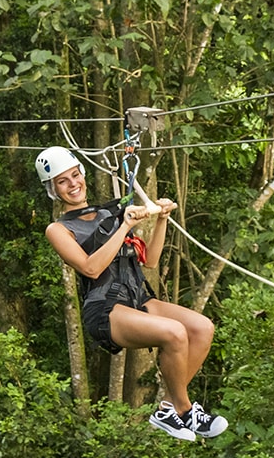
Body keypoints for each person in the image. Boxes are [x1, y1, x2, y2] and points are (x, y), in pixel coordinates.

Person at [35, 146, 226, 442]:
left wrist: (161, 219)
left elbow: (150, 261)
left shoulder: (108, 213)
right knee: (175, 333)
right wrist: (124, 226)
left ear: (83, 175)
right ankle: (186, 410)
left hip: (138, 299)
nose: (73, 184)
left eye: (75, 175)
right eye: (63, 181)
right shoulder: (58, 229)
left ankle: (168, 409)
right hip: (105, 310)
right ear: (53, 189)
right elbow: (91, 269)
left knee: (202, 328)